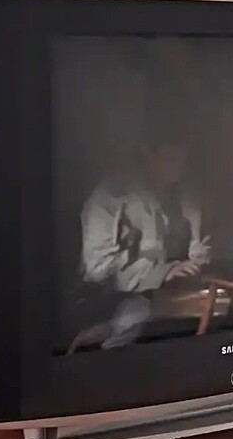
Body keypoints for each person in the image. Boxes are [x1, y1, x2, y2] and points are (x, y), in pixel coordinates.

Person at [76, 135, 212, 349]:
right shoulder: (112, 195)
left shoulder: (183, 194)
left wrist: (196, 230)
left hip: (168, 295)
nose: (179, 167)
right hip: (113, 300)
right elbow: (99, 269)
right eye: (170, 158)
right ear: (147, 153)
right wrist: (163, 272)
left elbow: (199, 254)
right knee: (136, 316)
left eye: (183, 159)